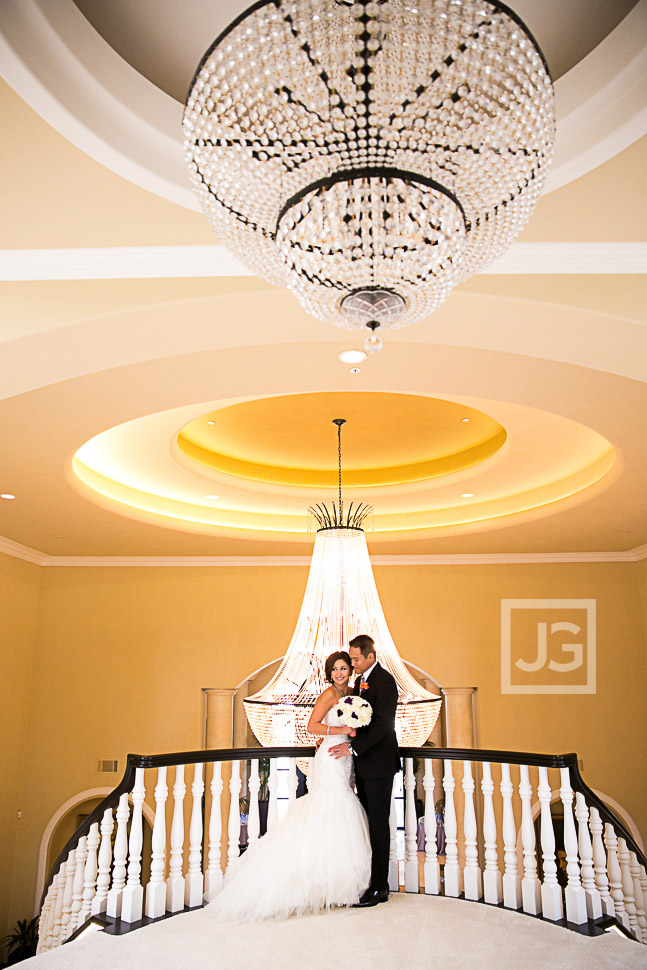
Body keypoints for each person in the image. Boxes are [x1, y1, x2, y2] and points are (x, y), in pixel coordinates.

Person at [204, 651, 370, 922]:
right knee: (328, 806)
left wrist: (351, 739)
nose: (340, 673)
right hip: (329, 757)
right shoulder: (328, 695)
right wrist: (339, 732)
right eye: (335, 669)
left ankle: (339, 884)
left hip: (344, 759)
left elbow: (358, 726)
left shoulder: (353, 694)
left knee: (344, 806)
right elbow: (312, 726)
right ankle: (317, 883)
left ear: (350, 671)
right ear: (329, 673)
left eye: (344, 668)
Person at [329, 634, 399, 907]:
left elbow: (383, 725)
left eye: (356, 659)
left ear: (371, 656)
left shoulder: (385, 680)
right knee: (370, 824)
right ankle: (373, 882)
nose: (352, 663)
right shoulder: (360, 681)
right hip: (365, 765)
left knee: (379, 825)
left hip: (379, 764)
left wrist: (353, 749)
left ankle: (380, 888)